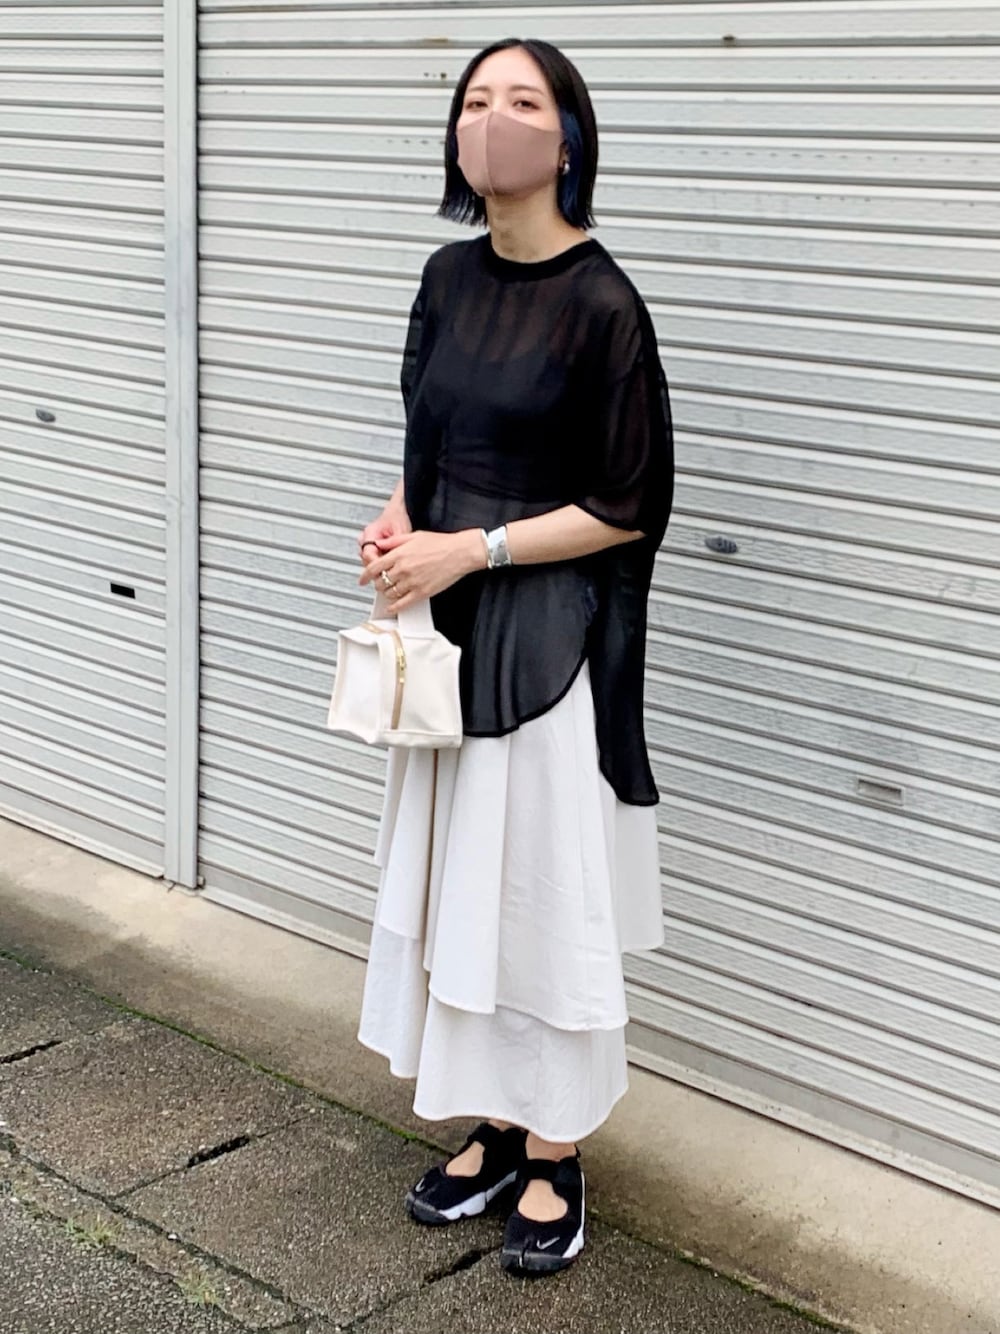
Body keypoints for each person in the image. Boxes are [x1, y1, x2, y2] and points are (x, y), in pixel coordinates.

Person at [354, 36, 674, 1276]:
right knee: (463, 897)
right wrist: (398, 526)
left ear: (569, 137)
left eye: (523, 100)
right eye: (476, 99)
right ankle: (492, 1123)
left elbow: (626, 503)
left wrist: (472, 548)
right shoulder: (443, 276)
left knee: (539, 899)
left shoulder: (604, 304)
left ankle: (554, 1149)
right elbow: (423, 434)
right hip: (446, 639)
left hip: (549, 651)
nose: (495, 119)